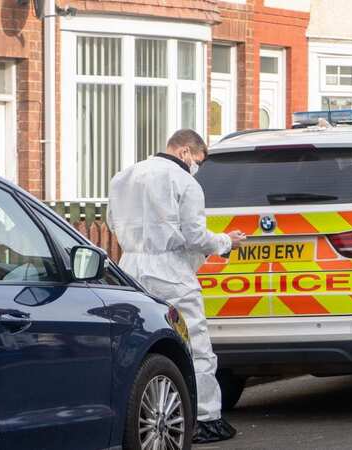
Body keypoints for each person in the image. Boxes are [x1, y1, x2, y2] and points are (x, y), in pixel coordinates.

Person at [108, 129, 246, 444]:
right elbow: (196, 237)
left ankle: (153, 412)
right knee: (195, 344)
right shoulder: (185, 182)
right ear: (184, 151)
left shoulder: (124, 177)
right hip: (170, 270)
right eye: (196, 160)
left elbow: (114, 222)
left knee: (144, 346)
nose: (196, 166)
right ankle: (205, 419)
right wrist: (227, 241)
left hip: (131, 268)